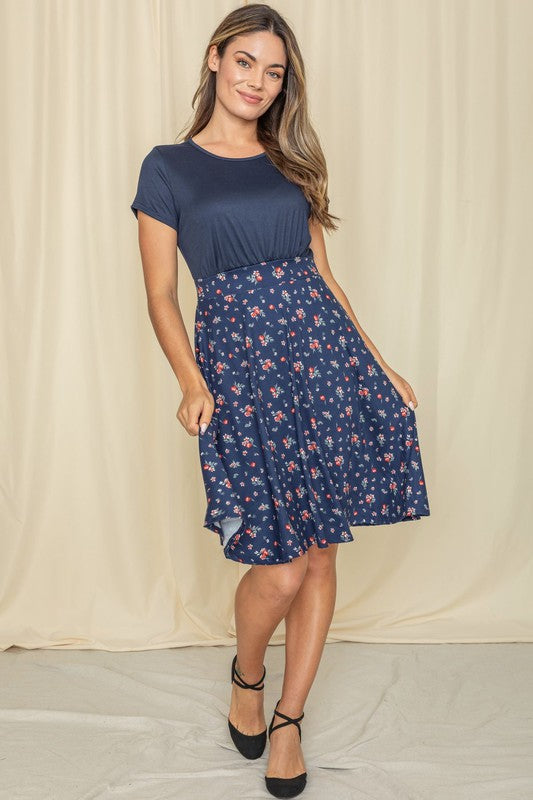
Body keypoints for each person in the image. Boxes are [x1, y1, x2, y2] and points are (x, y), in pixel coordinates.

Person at [131, 3, 430, 797]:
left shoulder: (288, 161)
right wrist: (191, 381)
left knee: (321, 549)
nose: (258, 82)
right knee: (279, 560)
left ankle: (290, 719)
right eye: (245, 64)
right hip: (239, 367)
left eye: (274, 72)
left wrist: (379, 364)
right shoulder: (166, 167)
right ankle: (246, 673)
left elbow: (323, 278)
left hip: (320, 358)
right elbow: (161, 294)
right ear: (213, 60)